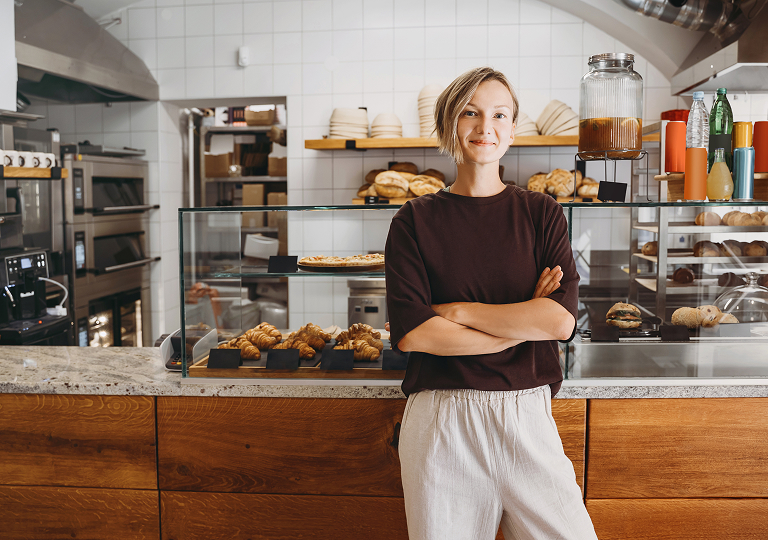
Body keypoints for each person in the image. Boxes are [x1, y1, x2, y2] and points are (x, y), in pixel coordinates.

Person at [384, 67, 598, 540]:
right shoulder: (413, 219)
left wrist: (457, 311)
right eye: (470, 113)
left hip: (527, 415)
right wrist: (521, 323)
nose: (486, 127)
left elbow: (559, 321)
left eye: (500, 114)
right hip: (442, 421)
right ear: (449, 124)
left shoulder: (541, 212)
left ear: (513, 129)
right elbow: (417, 333)